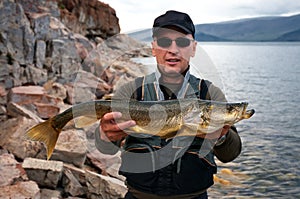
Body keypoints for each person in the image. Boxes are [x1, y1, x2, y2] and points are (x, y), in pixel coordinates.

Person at [95, 10, 242, 199]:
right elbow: (105, 148)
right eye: (164, 42)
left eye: (182, 42)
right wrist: (105, 135)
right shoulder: (131, 91)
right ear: (153, 48)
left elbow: (231, 153)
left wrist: (221, 136)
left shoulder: (210, 94)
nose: (173, 50)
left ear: (193, 48)